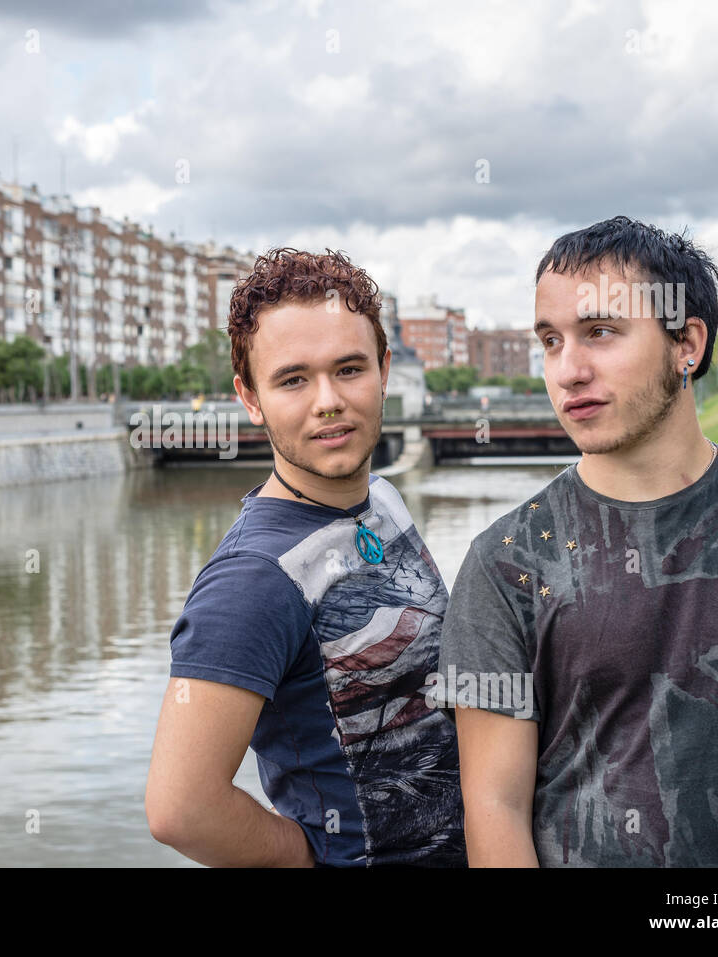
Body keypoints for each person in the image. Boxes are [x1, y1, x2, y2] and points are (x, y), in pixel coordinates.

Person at [438, 216, 718, 867]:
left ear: (688, 343)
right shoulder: (504, 560)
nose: (568, 370)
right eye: (550, 340)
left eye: (599, 332)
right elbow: (493, 807)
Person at [145, 248, 466, 867]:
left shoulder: (383, 500)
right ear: (250, 397)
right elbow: (180, 808)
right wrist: (308, 860)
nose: (328, 400)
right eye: (293, 379)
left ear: (384, 369)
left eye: (349, 369)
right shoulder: (253, 580)